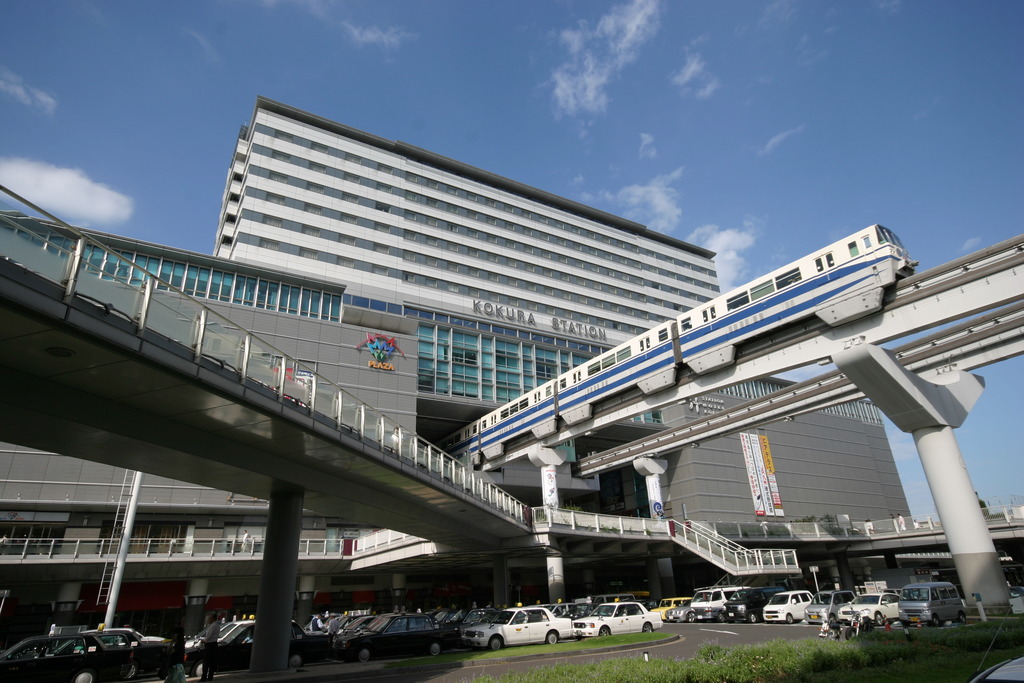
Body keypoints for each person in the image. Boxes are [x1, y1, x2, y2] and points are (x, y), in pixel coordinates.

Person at [200, 613, 222, 681]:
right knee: (212, 661)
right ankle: (210, 676)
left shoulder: (213, 626)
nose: (209, 619)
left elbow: (208, 637)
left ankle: (204, 677)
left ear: (213, 619)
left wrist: (203, 641)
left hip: (209, 645)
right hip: (214, 644)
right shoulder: (217, 626)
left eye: (210, 618)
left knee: (206, 662)